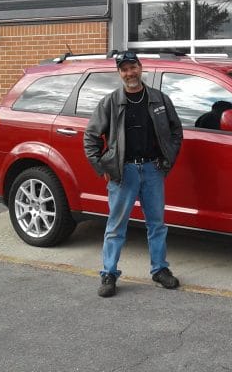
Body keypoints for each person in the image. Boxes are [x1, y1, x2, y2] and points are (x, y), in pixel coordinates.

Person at [83, 50, 183, 298]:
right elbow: (90, 138)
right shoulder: (109, 102)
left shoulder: (159, 100)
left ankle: (160, 270)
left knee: (157, 225)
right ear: (119, 73)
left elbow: (176, 132)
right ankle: (108, 273)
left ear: (140, 68)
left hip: (152, 170)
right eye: (124, 69)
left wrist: (166, 162)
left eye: (133, 67)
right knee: (116, 227)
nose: (130, 73)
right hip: (123, 173)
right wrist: (104, 167)